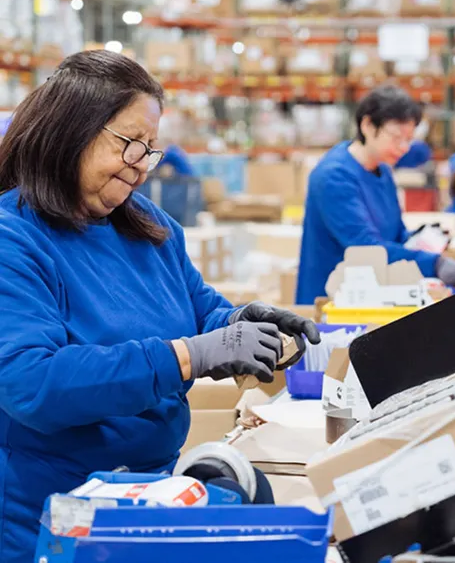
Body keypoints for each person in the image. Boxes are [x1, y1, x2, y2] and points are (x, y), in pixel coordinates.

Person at [0, 50, 320, 562]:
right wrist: (189, 356)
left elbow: (197, 312)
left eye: (150, 150)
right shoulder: (14, 239)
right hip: (55, 519)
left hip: (150, 494)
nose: (142, 167)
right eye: (130, 145)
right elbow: (31, 384)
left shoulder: (142, 221)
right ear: (70, 131)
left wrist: (241, 324)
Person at [296, 85, 455, 305]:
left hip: (372, 297)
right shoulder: (333, 177)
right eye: (397, 137)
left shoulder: (383, 171)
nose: (404, 147)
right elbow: (366, 248)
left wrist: (425, 238)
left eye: (409, 139)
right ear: (368, 125)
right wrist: (433, 263)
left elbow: (396, 234)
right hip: (331, 304)